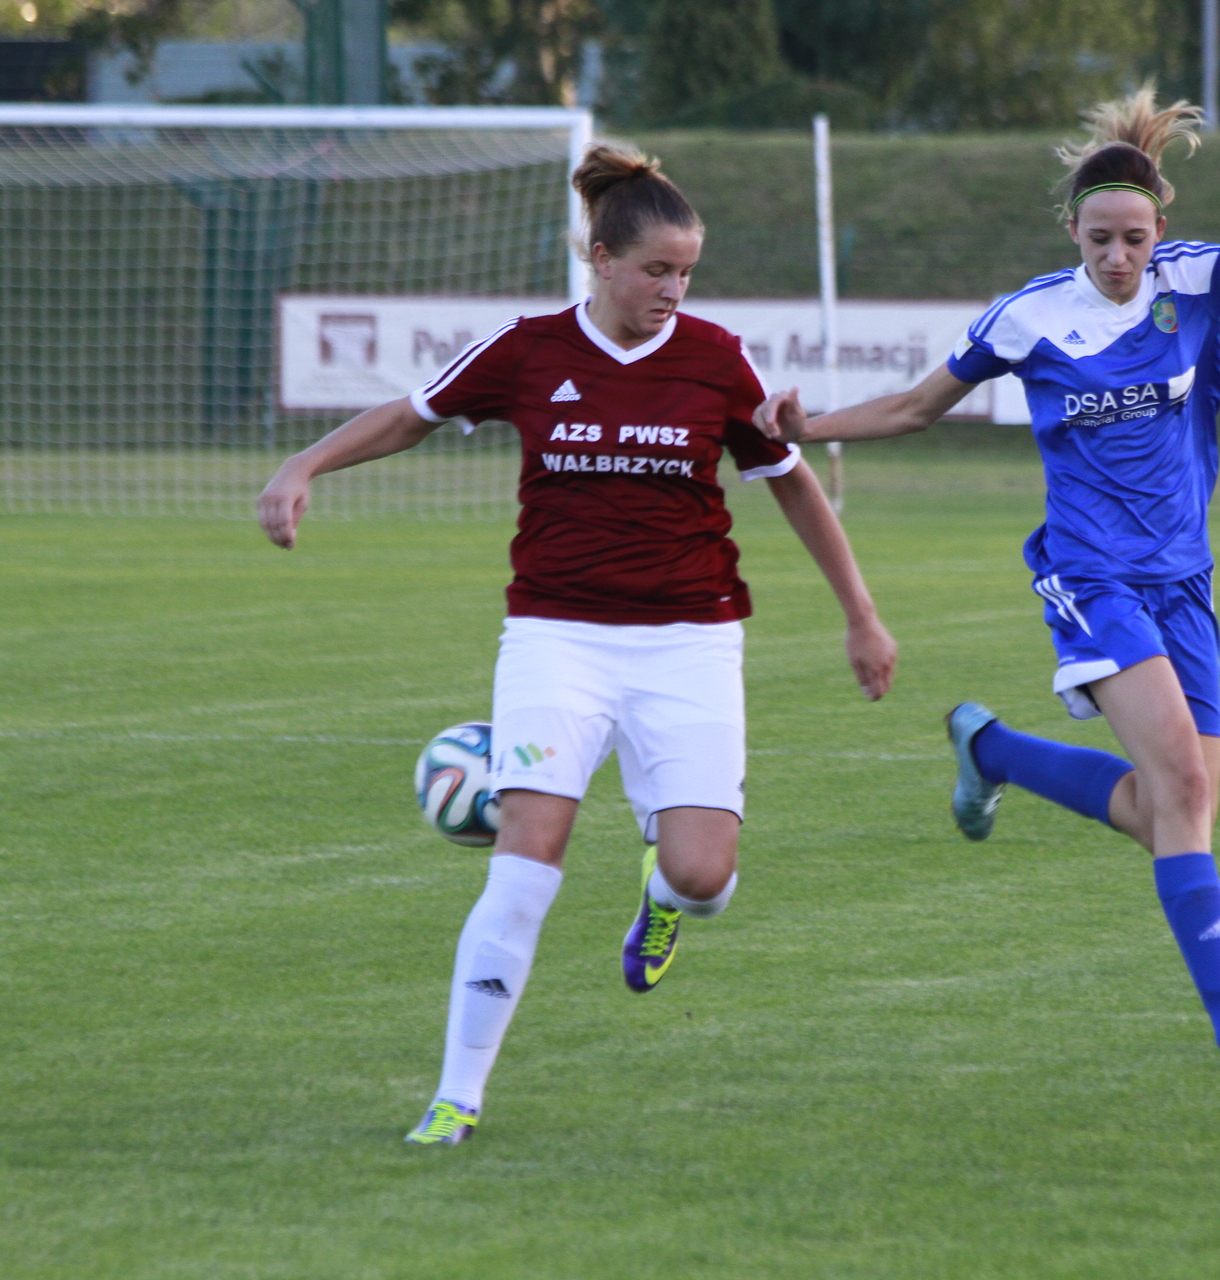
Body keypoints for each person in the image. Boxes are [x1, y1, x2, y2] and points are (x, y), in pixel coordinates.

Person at [257, 144, 897, 1145]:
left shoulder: (715, 359)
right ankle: (455, 1095)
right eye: (655, 271)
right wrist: (307, 462)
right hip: (556, 635)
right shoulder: (531, 350)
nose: (672, 291)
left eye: (685, 272)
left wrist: (860, 612)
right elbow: (412, 416)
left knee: (702, 871)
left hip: (691, 641)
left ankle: (665, 892)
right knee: (528, 852)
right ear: (601, 258)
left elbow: (792, 482)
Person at [754, 68, 1220, 1104]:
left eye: (1134, 238)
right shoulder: (1029, 318)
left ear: (1161, 224)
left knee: (1173, 815)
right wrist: (811, 428)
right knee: (1185, 787)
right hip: (1091, 576)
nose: (1119, 257)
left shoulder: (1200, 281)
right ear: (1072, 233)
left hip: (1185, 581)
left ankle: (992, 748)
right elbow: (912, 407)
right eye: (1098, 240)